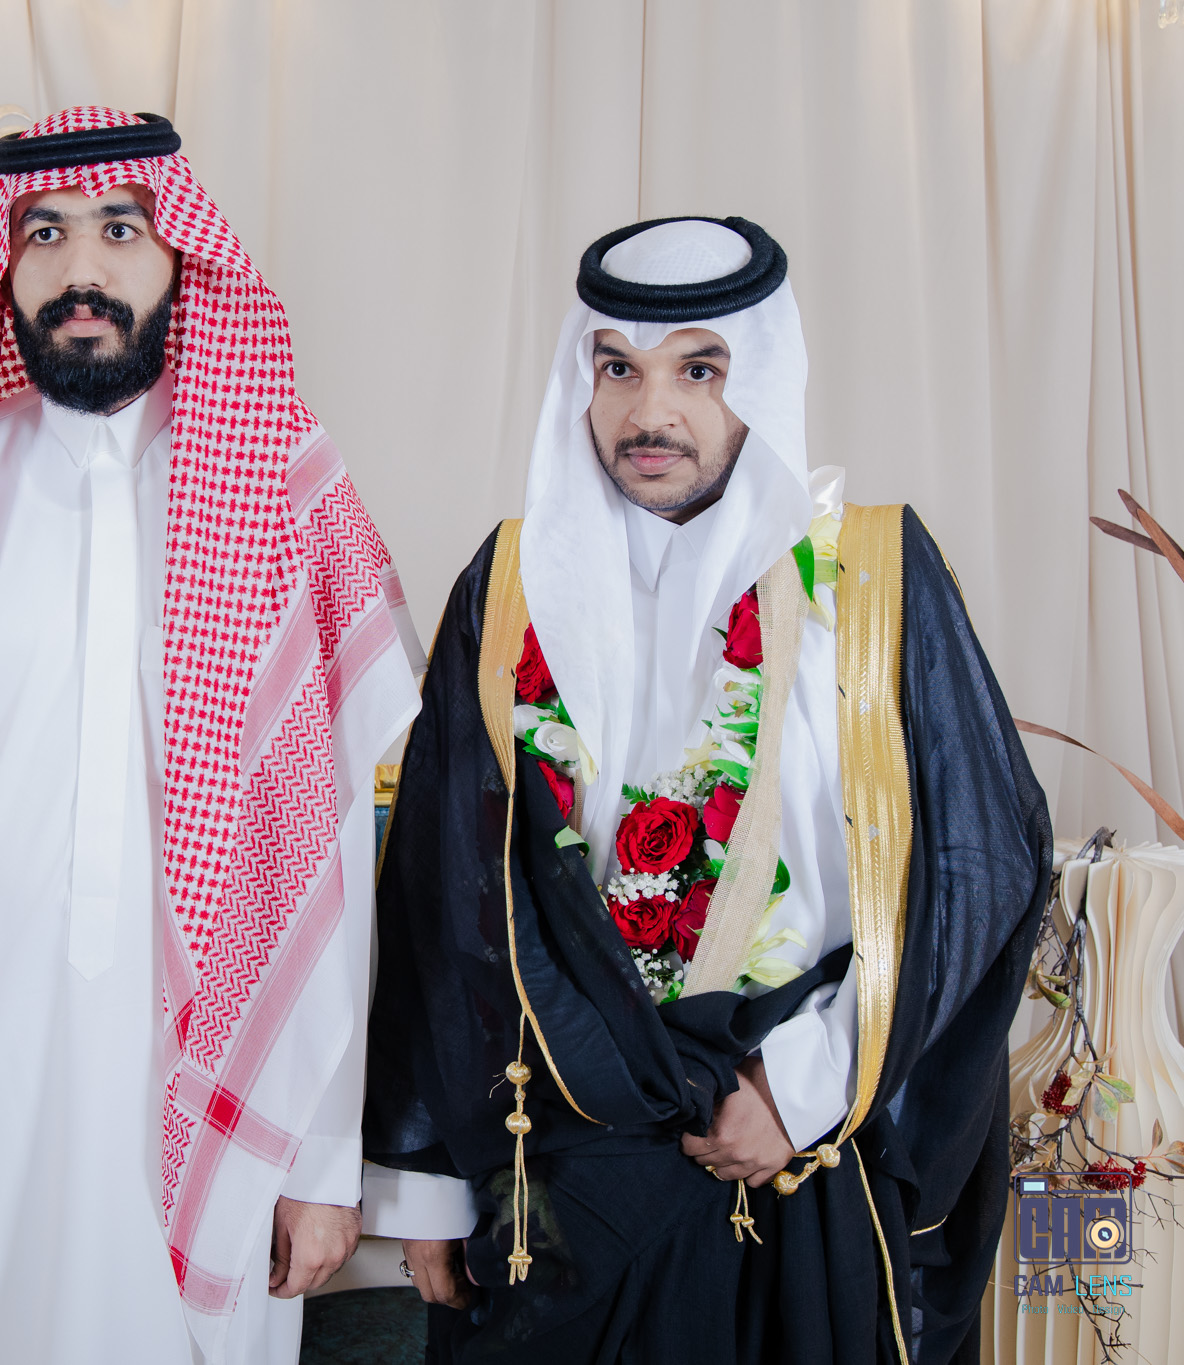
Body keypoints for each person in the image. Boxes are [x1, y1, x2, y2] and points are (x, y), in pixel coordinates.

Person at [361, 217, 1051, 1363]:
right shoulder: (509, 585)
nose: (650, 414)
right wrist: (424, 1184)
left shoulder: (871, 579)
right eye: (616, 369)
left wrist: (802, 1086)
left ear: (758, 379)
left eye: (697, 370)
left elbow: (976, 865)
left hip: (786, 1148)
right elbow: (438, 888)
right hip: (561, 1166)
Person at [0, 107, 423, 1364]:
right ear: (1, 264)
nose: (80, 268)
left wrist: (321, 1156)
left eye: (118, 229)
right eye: (42, 233)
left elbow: (329, 857)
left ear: (178, 255)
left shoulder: (280, 484)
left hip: (215, 1079)